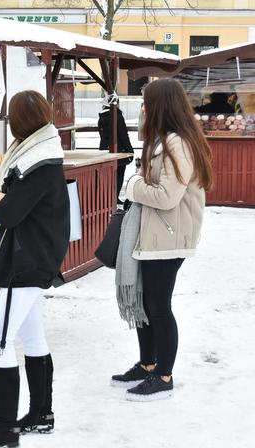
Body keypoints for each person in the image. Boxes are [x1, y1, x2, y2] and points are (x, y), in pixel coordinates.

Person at [0, 90, 70, 447]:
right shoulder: (41, 154)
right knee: (32, 338)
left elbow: (9, 212)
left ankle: (5, 428)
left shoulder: (37, 163)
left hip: (25, 261)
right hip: (35, 255)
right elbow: (5, 200)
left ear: (18, 122)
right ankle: (42, 414)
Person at [112, 78, 213, 401]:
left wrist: (133, 186)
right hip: (157, 234)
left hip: (169, 236)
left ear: (161, 107)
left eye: (146, 104)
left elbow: (167, 196)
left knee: (158, 306)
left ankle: (164, 375)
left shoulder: (176, 144)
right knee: (145, 302)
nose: (142, 110)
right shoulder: (163, 140)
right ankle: (147, 364)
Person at [98, 97, 134, 203]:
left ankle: (107, 197)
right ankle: (115, 197)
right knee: (119, 175)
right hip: (120, 151)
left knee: (108, 175)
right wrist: (129, 150)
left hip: (104, 151)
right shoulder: (117, 116)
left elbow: (102, 136)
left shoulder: (101, 117)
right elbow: (124, 135)